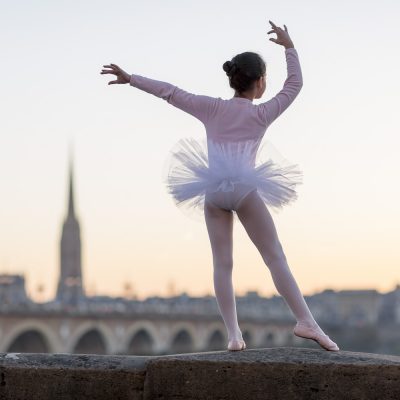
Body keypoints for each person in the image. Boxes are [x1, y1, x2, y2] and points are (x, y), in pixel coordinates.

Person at [100, 20, 340, 352]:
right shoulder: (262, 113)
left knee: (222, 264)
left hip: (212, 191)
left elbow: (171, 92)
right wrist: (289, 47)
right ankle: (306, 322)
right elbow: (295, 84)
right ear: (259, 83)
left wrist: (131, 79)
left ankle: (233, 335)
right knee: (274, 257)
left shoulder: (211, 107)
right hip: (243, 187)